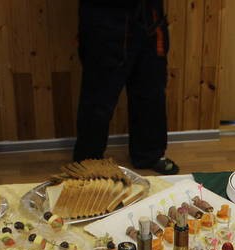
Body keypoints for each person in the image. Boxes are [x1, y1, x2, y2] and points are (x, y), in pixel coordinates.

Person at [74, 0, 179, 175]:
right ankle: (87, 163)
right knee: (98, 99)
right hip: (104, 19)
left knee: (150, 92)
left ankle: (149, 154)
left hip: (149, 16)